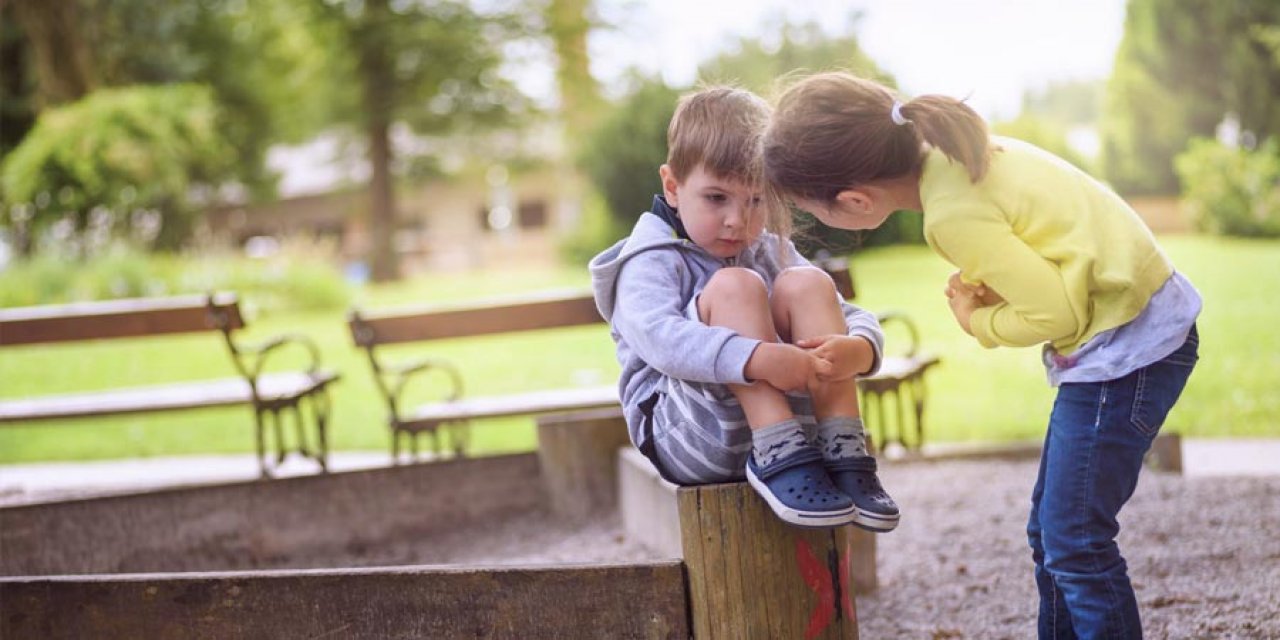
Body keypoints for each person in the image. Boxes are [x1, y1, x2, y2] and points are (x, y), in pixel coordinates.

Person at [762, 71, 1201, 637]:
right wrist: (1006, 288)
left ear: (854, 199)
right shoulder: (953, 155)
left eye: (807, 208)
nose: (812, 221)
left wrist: (979, 321)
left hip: (1129, 347)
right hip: (1136, 321)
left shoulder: (950, 216)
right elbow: (1054, 244)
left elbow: (1057, 316)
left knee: (1074, 538)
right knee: (1053, 533)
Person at [589, 86, 900, 532]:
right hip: (690, 436)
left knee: (808, 282)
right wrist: (755, 358)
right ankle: (779, 450)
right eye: (717, 198)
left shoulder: (767, 248)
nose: (738, 220)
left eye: (756, 200)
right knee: (736, 286)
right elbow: (661, 340)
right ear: (673, 187)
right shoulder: (649, 260)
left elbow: (844, 310)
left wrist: (861, 348)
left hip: (802, 440)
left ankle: (844, 447)